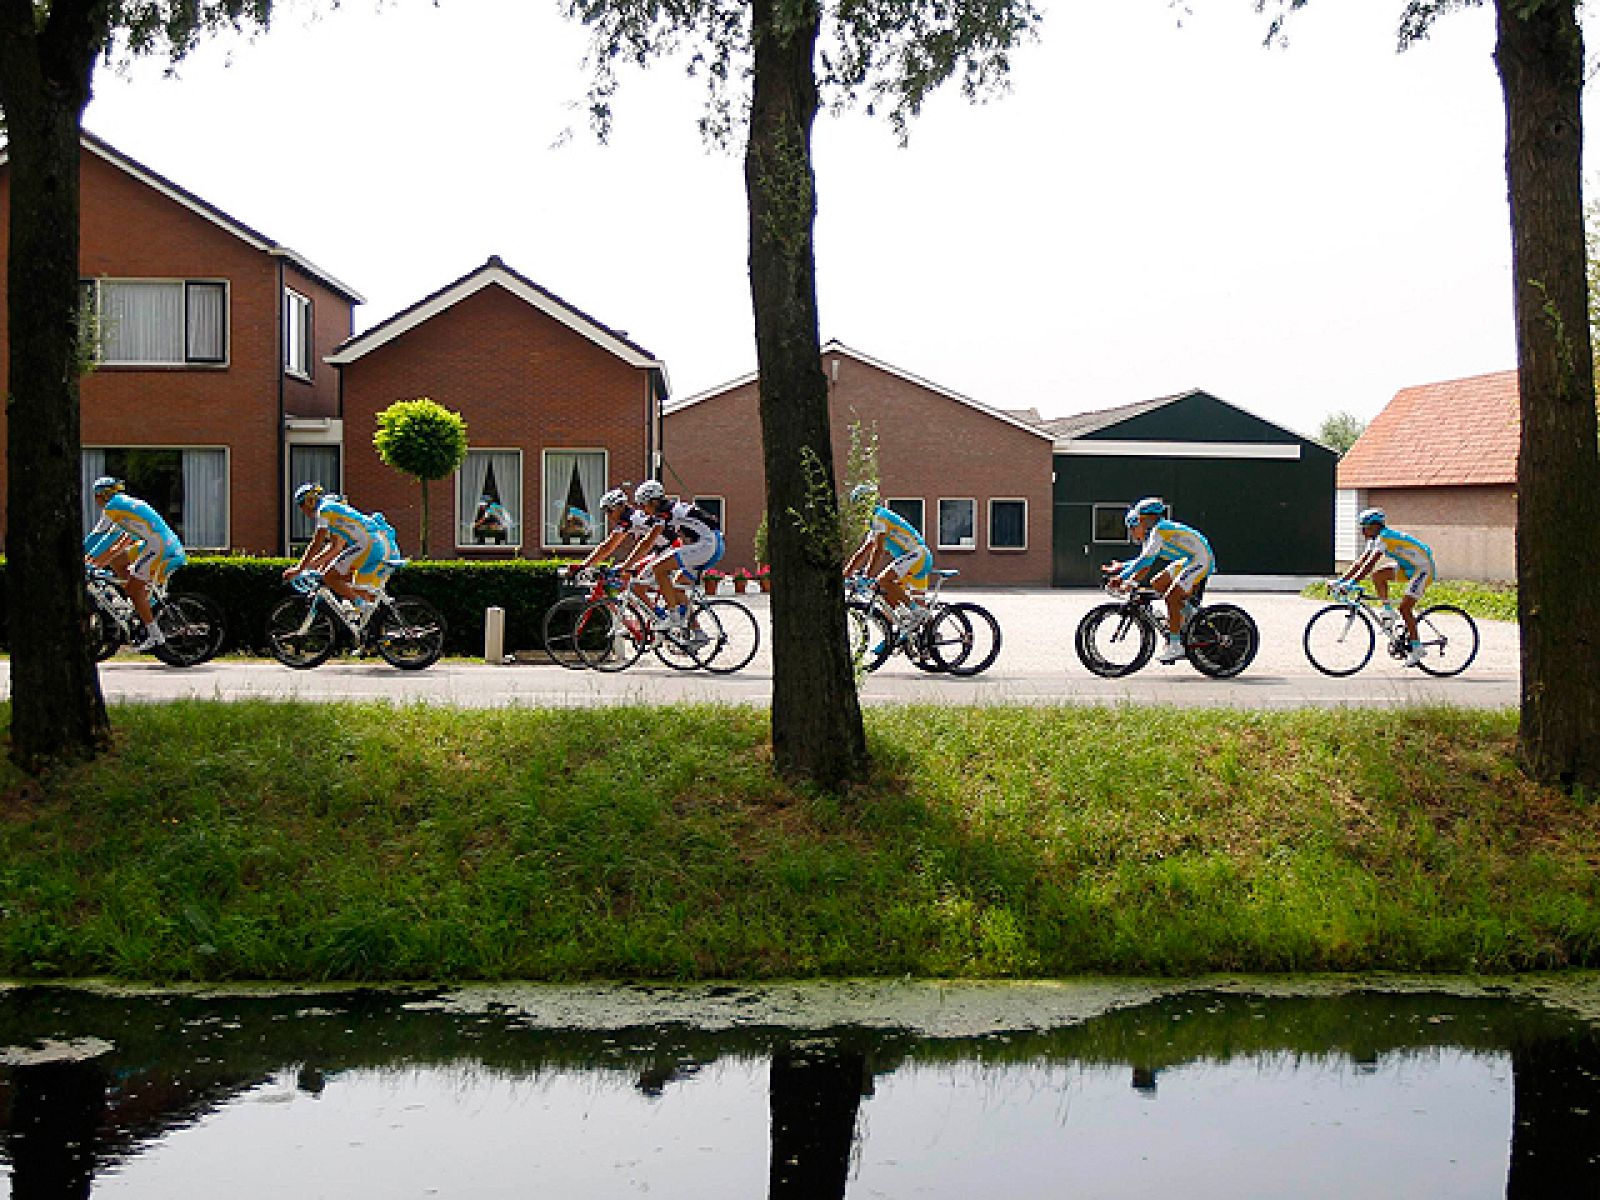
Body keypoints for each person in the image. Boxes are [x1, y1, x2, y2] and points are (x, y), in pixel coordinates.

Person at [1103, 496, 1215, 665]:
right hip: (1190, 559)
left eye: (1135, 525)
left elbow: (1145, 562)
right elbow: (1143, 560)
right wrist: (1123, 567)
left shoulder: (1160, 531)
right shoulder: (1153, 534)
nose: (1132, 532)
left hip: (1201, 559)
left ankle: (1176, 645)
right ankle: (1188, 616)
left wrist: (1122, 578)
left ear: (1147, 520)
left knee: (1171, 597)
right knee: (1158, 583)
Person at [83, 476, 188, 652]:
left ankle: (155, 635)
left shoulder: (113, 506)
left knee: (132, 589)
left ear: (103, 495)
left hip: (159, 546)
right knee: (118, 560)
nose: (95, 501)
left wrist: (83, 553)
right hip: (162, 544)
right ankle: (143, 603)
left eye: (96, 496)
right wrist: (94, 562)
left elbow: (99, 535)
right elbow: (118, 542)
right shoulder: (125, 505)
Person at [1332, 507, 1436, 668]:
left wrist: (1351, 583)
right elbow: (1360, 563)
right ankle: (1388, 610)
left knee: (1405, 608)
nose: (1362, 532)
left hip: (1422, 569)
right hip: (1407, 567)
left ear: (1375, 526)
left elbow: (1369, 565)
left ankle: (1417, 648)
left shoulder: (1385, 538)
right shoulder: (1373, 540)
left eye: (1365, 527)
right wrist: (1341, 581)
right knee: (1378, 576)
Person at [285, 483, 400, 619]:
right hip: (374, 544)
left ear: (310, 501)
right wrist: (313, 567)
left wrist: (299, 569)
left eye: (302, 505)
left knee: (330, 577)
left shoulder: (324, 510)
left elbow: (317, 543)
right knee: (350, 586)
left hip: (367, 545)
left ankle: (362, 606)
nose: (302, 510)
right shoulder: (332, 511)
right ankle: (369, 622)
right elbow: (334, 547)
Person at [620, 480, 723, 628]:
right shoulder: (670, 509)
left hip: (706, 545)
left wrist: (625, 565)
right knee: (677, 587)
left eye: (643, 505)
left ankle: (673, 616)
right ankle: (697, 632)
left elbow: (647, 542)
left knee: (658, 568)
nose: (642, 510)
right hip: (713, 543)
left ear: (654, 502)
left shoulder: (664, 512)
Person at [842, 483, 932, 624]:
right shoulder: (875, 520)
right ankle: (923, 630)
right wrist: (845, 574)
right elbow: (864, 550)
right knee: (885, 596)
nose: (857, 511)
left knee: (883, 581)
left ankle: (913, 610)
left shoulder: (880, 517)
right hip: (915, 558)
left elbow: (878, 549)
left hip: (917, 555)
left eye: (858, 506)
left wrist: (868, 575)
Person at [575, 487, 666, 577]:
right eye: (606, 512)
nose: (608, 516)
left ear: (620, 507)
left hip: (667, 550)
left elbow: (607, 547)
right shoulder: (633, 516)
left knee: (639, 580)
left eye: (610, 511)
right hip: (661, 550)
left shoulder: (629, 520)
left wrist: (583, 566)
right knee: (628, 573)